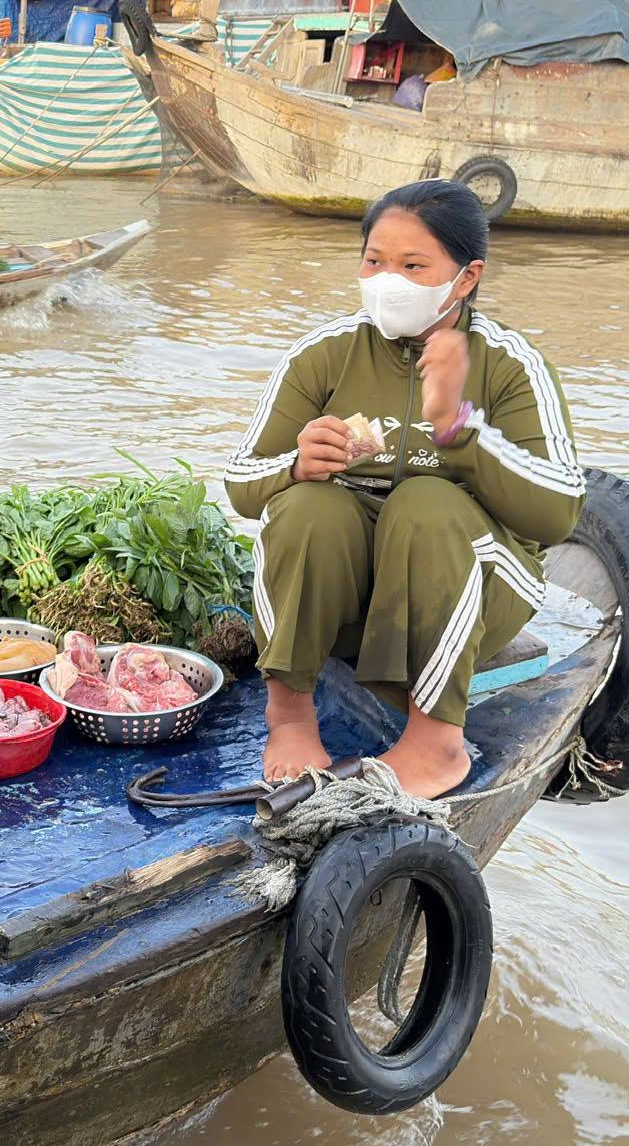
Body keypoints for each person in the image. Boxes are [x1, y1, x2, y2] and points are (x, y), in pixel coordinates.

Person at [223, 179, 582, 797]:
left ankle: (436, 741)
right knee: (306, 507)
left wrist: (462, 433)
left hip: (470, 597)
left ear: (465, 278)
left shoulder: (509, 363)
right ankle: (289, 716)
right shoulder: (325, 353)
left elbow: (558, 511)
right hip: (355, 604)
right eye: (374, 261)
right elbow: (240, 482)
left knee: (427, 501)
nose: (388, 280)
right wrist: (297, 464)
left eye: (414, 266)